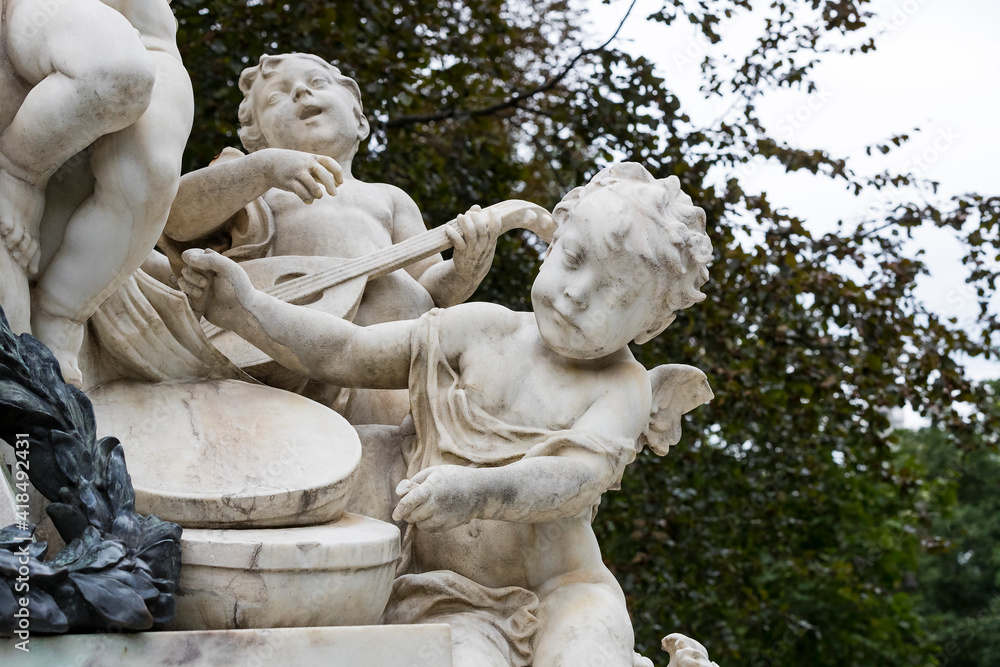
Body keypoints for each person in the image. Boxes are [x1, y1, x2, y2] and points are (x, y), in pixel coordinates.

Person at [178, 163, 714, 667]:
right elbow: (348, 351)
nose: (577, 294)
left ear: (652, 326)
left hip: (562, 593)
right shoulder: (480, 329)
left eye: (614, 295)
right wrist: (245, 309)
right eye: (573, 260)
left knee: (587, 654)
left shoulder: (624, 387)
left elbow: (575, 477)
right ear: (549, 249)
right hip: (444, 597)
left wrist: (476, 491)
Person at [161, 53, 500, 423]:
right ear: (258, 141)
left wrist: (464, 271)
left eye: (318, 82)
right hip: (286, 347)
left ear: (360, 121)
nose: (301, 92)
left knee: (390, 444)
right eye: (276, 98)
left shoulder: (389, 197)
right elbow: (175, 218)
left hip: (389, 358)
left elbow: (430, 289)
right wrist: (263, 169)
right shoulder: (253, 185)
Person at [0, 0, 193, 387]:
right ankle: (17, 174)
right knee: (116, 72)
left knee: (151, 171)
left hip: (145, 44)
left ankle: (61, 311)